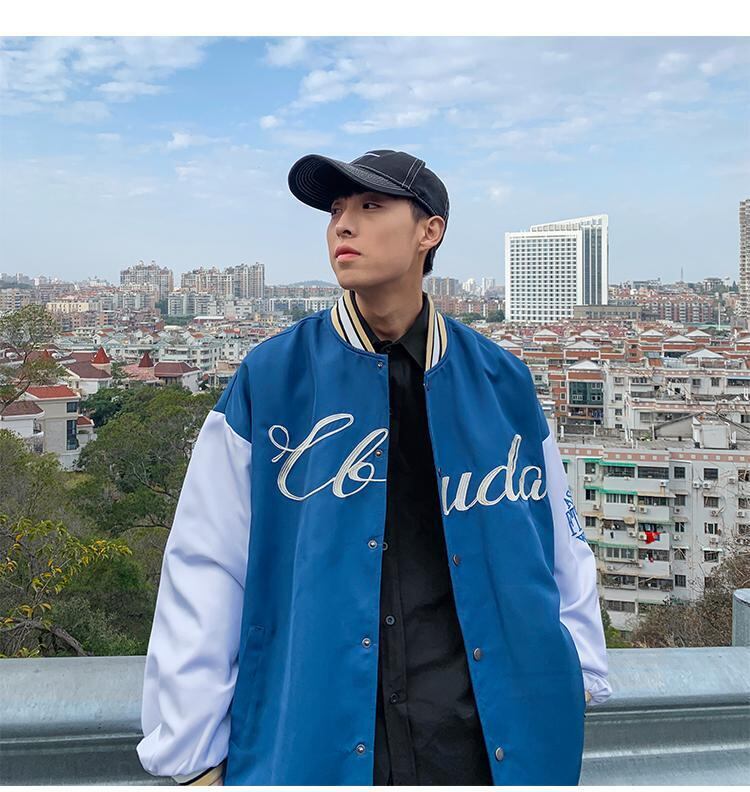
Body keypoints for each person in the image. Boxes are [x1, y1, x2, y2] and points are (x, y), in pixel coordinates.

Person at [136, 149, 612, 787]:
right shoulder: (272, 380)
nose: (343, 224)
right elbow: (205, 565)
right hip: (316, 738)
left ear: (429, 231)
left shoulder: (502, 382)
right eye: (335, 209)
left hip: (482, 744)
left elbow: (558, 545)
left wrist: (578, 675)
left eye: (370, 205)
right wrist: (192, 754)